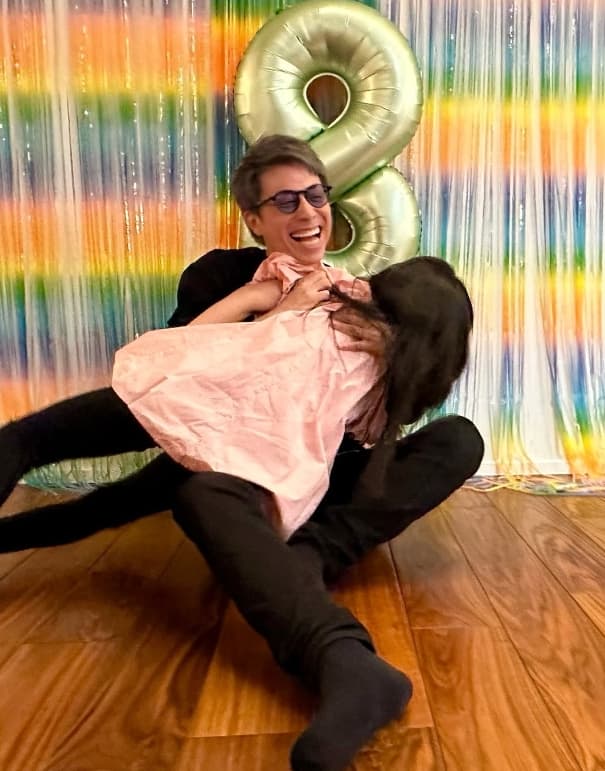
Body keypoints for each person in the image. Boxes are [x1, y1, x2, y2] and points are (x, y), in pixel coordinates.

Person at [0, 135, 483, 771]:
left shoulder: (361, 298)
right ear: (254, 219)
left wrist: (387, 351)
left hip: (326, 472)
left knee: (462, 439)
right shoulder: (221, 278)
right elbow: (180, 384)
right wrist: (275, 315)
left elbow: (394, 412)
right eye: (285, 202)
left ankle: (309, 558)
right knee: (180, 488)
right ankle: (336, 648)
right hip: (230, 457)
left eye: (316, 196)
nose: (307, 213)